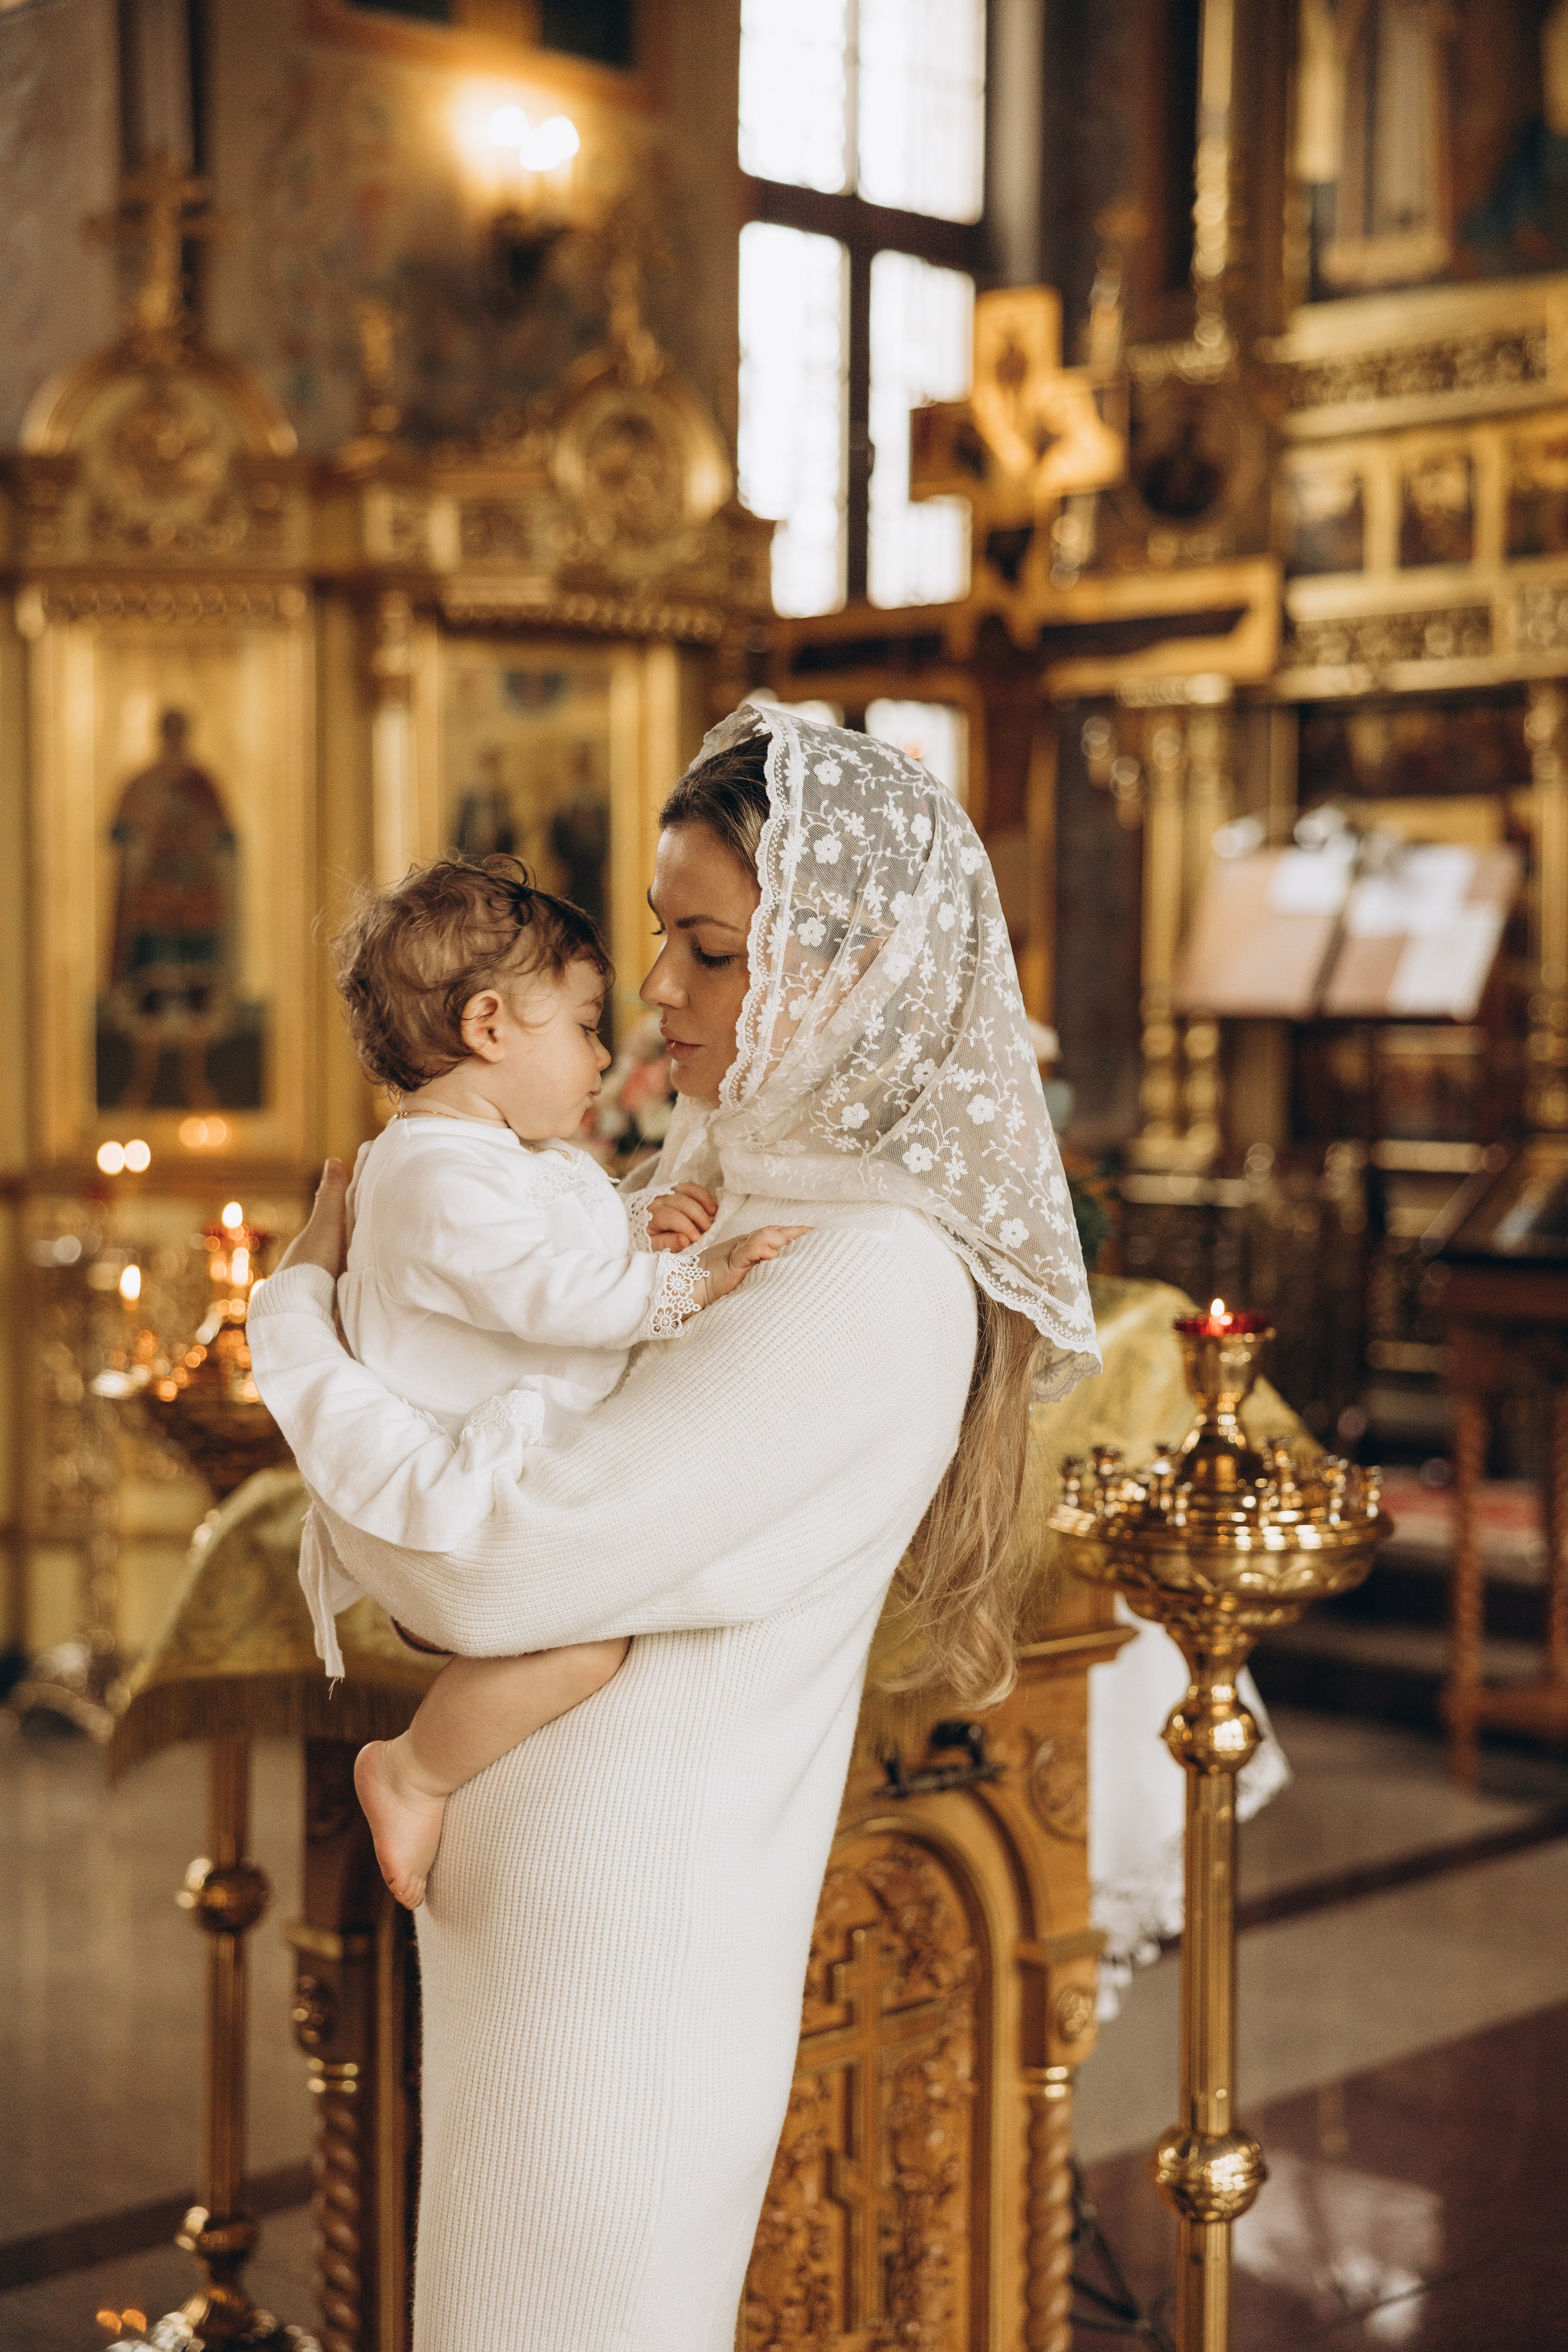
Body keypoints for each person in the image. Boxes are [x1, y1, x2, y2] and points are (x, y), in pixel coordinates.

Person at [249, 704, 1099, 2352]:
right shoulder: (734, 1190)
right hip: (548, 1899)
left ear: (844, 967)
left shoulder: (869, 1271)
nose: (654, 994)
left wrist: (297, 1325)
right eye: (658, 941)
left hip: (641, 1927)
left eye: (705, 951)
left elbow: (467, 1562)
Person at [314, 853, 805, 1909]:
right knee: (591, 1642)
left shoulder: (504, 1157)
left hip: (492, 1467)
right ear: (491, 1026)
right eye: (583, 1026)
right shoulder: (431, 1172)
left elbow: (544, 1247)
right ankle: (411, 1769)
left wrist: (636, 1223)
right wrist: (686, 1284)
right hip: (453, 1500)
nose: (601, 1050)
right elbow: (544, 1295)